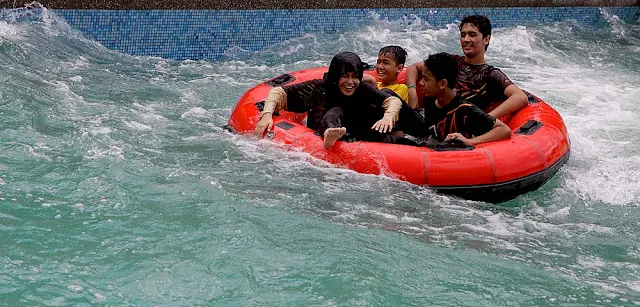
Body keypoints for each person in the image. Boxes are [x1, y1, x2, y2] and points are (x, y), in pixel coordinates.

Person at [253, 51, 402, 148]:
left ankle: (422, 133)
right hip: (325, 132)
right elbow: (277, 92)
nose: (350, 82)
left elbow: (392, 101)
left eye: (355, 77)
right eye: (345, 76)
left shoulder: (362, 88)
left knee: (389, 96)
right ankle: (331, 133)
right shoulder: (319, 88)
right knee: (335, 111)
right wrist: (266, 114)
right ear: (335, 76)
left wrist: (389, 116)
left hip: (358, 134)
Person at [405, 15, 528, 119]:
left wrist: (487, 119)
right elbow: (414, 68)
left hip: (456, 128)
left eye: (472, 35)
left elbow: (520, 97)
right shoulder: (451, 61)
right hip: (427, 119)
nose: (466, 39)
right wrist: (412, 91)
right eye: (463, 35)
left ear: (486, 39)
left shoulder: (490, 74)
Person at [415, 52, 511, 146]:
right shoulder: (430, 99)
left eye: (426, 79)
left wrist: (470, 141)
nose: (421, 83)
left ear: (442, 84)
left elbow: (504, 129)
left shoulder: (465, 110)